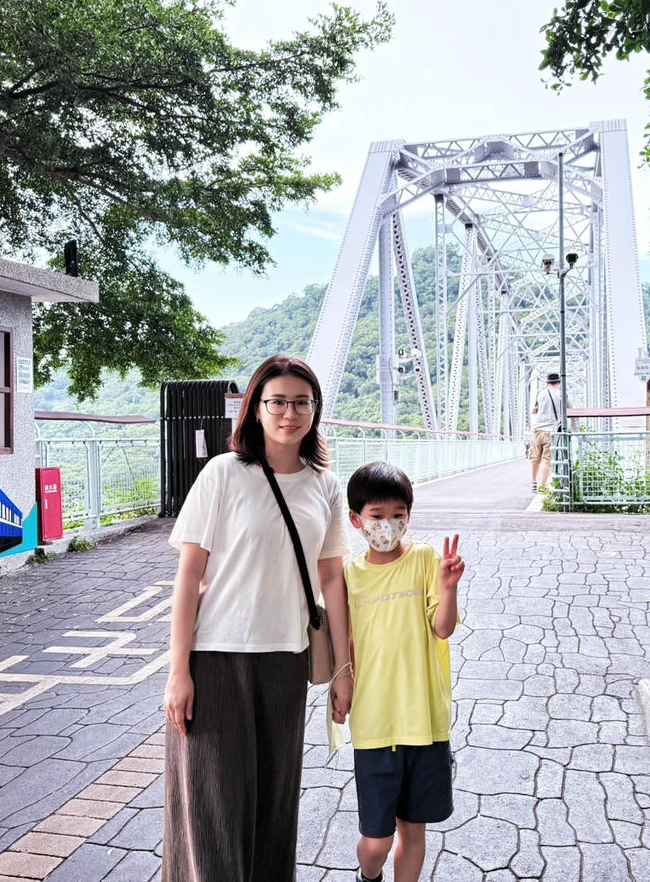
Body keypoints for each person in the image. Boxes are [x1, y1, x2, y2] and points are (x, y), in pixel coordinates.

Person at [162, 355, 354, 881]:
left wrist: (344, 671)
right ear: (256, 408)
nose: (289, 413)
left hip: (286, 662)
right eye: (277, 402)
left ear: (315, 410)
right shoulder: (224, 473)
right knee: (214, 810)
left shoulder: (325, 486)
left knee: (274, 808)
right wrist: (179, 672)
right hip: (217, 660)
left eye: (301, 402)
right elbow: (188, 577)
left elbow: (333, 581)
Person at [344, 461, 463, 882]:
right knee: (375, 842)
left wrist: (449, 588)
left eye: (398, 514)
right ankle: (368, 876)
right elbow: (347, 648)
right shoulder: (349, 577)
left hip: (425, 722)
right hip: (375, 722)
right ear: (357, 520)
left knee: (414, 831)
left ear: (409, 516)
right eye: (377, 516)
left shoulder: (427, 559)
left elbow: (442, 628)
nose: (388, 524)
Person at [528, 371, 567, 492]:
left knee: (535, 458)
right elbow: (571, 409)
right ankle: (542, 486)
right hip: (550, 431)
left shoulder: (541, 393)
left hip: (537, 430)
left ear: (547, 383)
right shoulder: (562, 395)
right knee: (547, 460)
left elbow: (534, 411)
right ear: (559, 383)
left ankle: (533, 483)